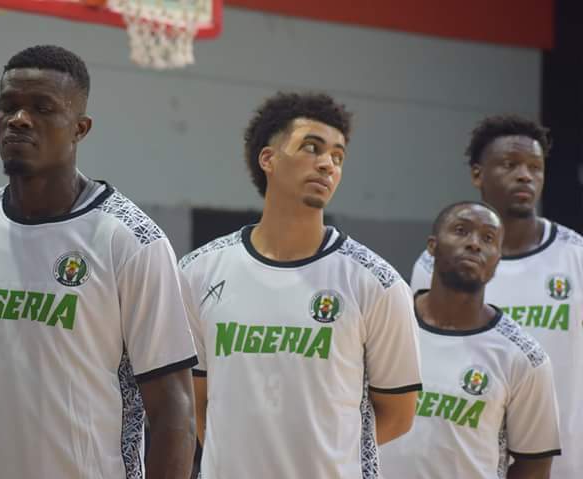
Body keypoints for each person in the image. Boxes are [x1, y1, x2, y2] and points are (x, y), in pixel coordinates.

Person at [0, 45, 197, 479]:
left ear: (80, 128)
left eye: (42, 108)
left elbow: (174, 411)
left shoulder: (132, 241)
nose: (19, 119)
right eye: (8, 106)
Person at [179, 92, 422, 478]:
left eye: (338, 156)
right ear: (268, 159)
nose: (327, 164)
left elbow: (399, 414)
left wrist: (324, 457)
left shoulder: (378, 283)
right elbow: (195, 402)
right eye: (312, 147)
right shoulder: (197, 272)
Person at [410, 116, 581, 477]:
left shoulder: (576, 256)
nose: (525, 176)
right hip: (465, 452)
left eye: (535, 167)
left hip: (565, 457)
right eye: (510, 164)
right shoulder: (432, 263)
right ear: (478, 174)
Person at [383, 201, 561, 478]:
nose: (474, 244)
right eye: (461, 231)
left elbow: (535, 466)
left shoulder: (525, 357)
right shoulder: (383, 325)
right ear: (432, 246)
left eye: (488, 238)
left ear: (497, 260)